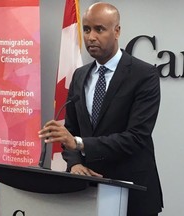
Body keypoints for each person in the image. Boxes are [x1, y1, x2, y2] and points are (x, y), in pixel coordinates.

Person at [38, 2, 163, 216]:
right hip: (86, 192)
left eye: (99, 29)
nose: (91, 37)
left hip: (131, 192)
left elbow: (136, 137)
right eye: (86, 29)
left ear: (117, 31)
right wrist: (75, 164)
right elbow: (72, 129)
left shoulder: (144, 75)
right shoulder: (79, 75)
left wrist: (79, 144)